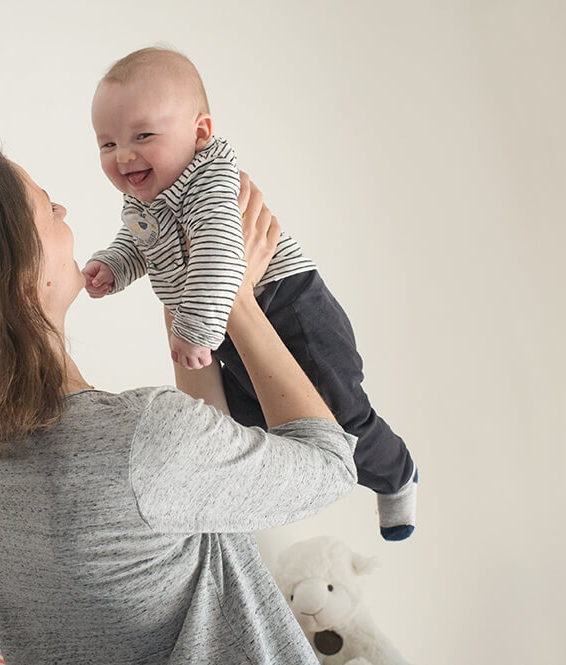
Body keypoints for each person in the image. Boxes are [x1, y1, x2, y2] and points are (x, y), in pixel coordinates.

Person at [0, 140, 359, 664]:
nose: (62, 210)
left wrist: (188, 295)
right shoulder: (144, 442)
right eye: (47, 208)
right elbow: (332, 465)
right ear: (26, 280)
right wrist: (239, 298)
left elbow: (198, 485)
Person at [82, 47, 417, 540]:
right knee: (249, 427)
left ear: (199, 133)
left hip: (286, 306)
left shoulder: (208, 181)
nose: (123, 155)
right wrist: (114, 265)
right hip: (224, 326)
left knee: (338, 419)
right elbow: (139, 241)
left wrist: (193, 330)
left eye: (143, 136)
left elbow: (220, 253)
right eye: (107, 144)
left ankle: (398, 475)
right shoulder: (143, 198)